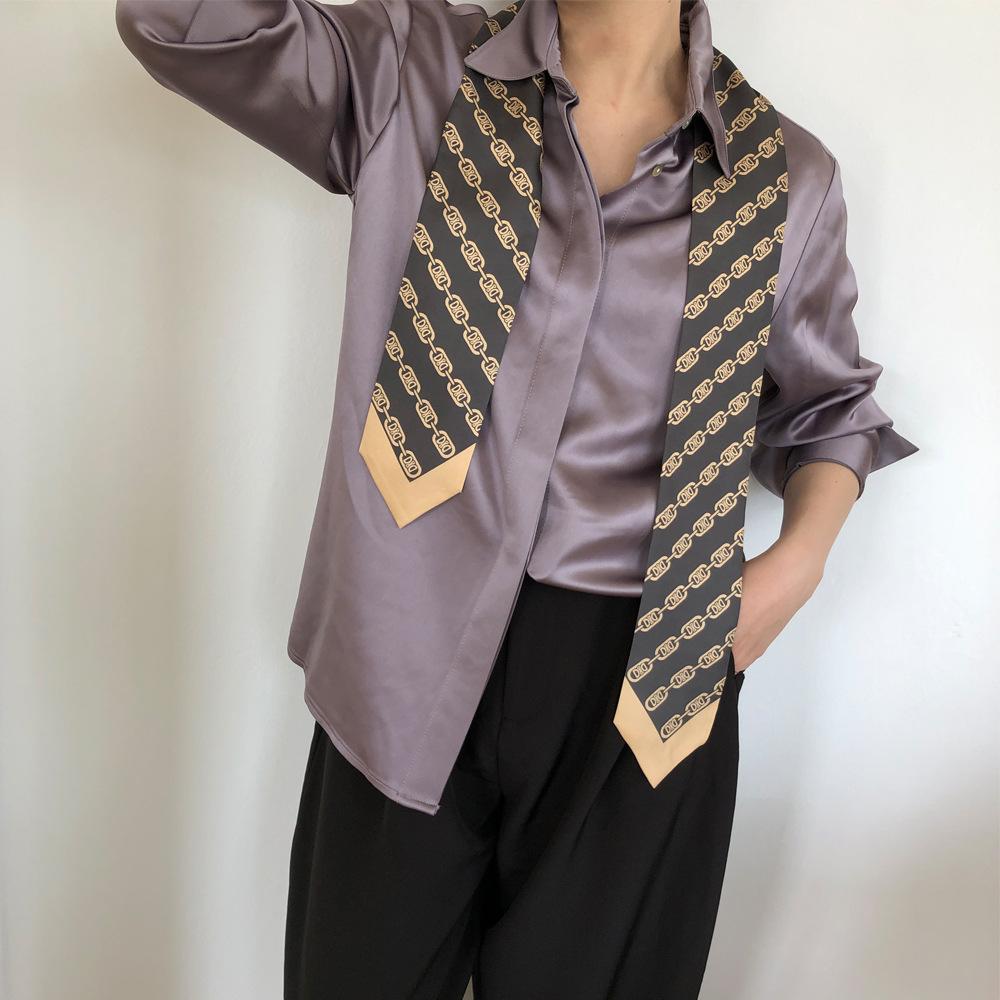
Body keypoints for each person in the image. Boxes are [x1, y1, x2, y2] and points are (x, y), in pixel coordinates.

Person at [114, 0, 919, 996]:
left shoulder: (782, 177)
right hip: (404, 640)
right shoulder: (410, 68)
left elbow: (826, 411)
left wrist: (792, 570)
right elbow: (179, 24)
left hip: (644, 680)